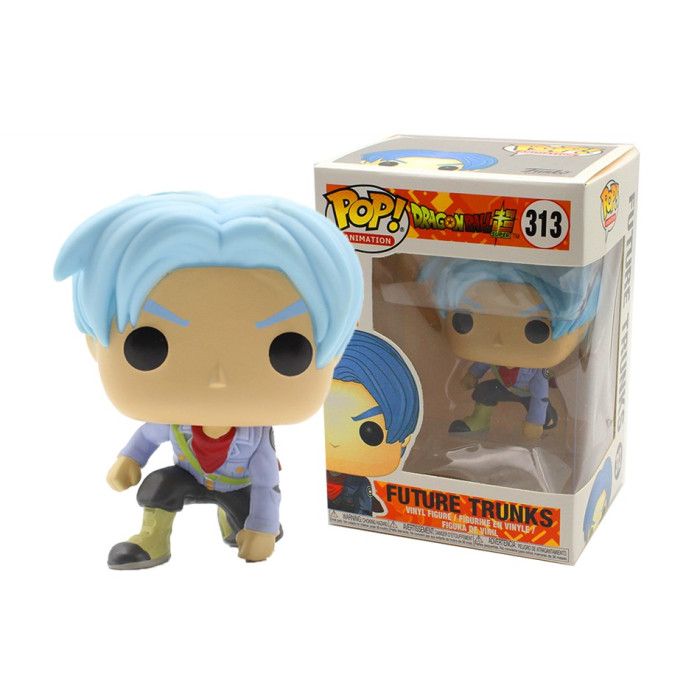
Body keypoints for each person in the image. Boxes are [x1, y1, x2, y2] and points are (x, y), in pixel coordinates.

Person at [54, 192, 363, 569]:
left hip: (237, 486)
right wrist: (128, 460)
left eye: (286, 349)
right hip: (186, 475)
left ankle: (237, 525)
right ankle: (152, 538)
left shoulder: (256, 441)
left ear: (337, 350)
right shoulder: (175, 423)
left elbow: (267, 483)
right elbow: (147, 437)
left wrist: (263, 529)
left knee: (248, 517)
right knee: (158, 487)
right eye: (148, 345)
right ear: (93, 343)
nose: (219, 378)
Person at [421, 256, 601, 438]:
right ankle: (479, 420)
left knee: (540, 409)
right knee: (484, 391)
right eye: (464, 321)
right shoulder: (492, 355)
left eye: (536, 329)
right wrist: (473, 374)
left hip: (528, 392)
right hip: (503, 385)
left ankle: (545, 420)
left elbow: (540, 395)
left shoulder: (538, 373)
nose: (497, 341)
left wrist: (535, 422)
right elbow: (483, 362)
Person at [325, 331, 420, 515]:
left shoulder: (359, 483)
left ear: (404, 439)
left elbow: (364, 511)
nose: (334, 442)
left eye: (369, 432)